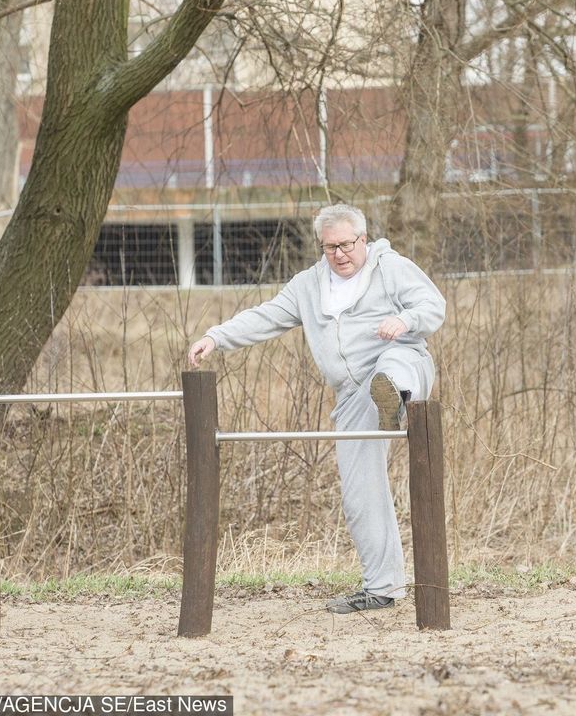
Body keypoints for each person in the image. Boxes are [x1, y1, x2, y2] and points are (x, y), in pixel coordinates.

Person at [188, 203, 445, 614]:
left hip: (404, 361)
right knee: (361, 492)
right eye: (330, 248)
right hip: (352, 395)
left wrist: (406, 321)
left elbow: (433, 305)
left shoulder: (391, 267)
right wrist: (216, 337)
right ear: (321, 247)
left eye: (346, 245)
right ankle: (382, 588)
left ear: (363, 239)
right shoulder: (308, 285)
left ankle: (395, 398)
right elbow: (267, 316)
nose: (340, 254)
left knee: (394, 363)